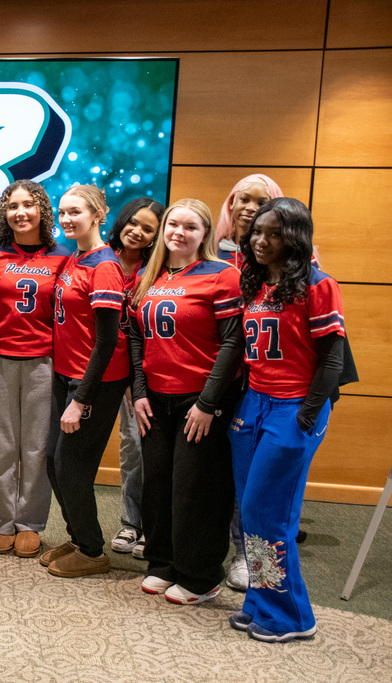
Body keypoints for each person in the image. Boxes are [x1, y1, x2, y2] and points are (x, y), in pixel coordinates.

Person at [228, 197, 345, 642]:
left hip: (292, 408)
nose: (261, 240)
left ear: (293, 236)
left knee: (268, 513)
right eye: (257, 231)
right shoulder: (255, 283)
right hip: (253, 404)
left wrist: (305, 418)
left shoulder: (317, 284)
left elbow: (332, 359)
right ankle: (260, 600)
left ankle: (291, 617)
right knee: (253, 512)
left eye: (273, 233)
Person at [129, 199, 243, 605]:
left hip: (201, 400)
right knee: (157, 483)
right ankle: (163, 563)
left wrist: (209, 403)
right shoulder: (149, 275)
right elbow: (137, 338)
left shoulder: (222, 275)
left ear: (205, 234)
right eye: (172, 224)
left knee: (196, 488)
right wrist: (139, 393)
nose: (178, 232)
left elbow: (233, 341)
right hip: (156, 399)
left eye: (190, 227)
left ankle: (201, 577)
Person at [0, 180, 70, 558]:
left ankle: (29, 522)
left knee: (35, 448)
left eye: (28, 205)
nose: (20, 212)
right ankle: (3, 522)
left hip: (44, 361)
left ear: (42, 210)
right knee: (0, 447)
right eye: (12, 206)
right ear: (4, 213)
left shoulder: (62, 256)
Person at [42, 184, 129, 578]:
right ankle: (78, 537)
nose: (66, 219)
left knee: (71, 469)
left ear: (98, 214)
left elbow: (108, 340)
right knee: (52, 462)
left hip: (92, 382)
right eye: (62, 212)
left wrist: (81, 398)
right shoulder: (76, 259)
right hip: (65, 376)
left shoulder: (105, 266)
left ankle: (92, 550)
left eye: (75, 212)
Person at [214, 173, 282, 591]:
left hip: (272, 393)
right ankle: (216, 550)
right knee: (224, 473)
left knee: (259, 487)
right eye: (241, 199)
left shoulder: (296, 267)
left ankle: (253, 561)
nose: (248, 207)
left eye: (260, 201)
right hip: (218, 382)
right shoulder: (211, 253)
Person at [105, 198, 164, 558]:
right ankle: (129, 522)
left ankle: (141, 526)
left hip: (139, 375)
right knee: (128, 451)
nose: (137, 232)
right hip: (96, 369)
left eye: (148, 229)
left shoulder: (157, 270)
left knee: (141, 449)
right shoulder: (99, 259)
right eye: (134, 223)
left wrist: (135, 381)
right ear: (121, 220)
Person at [215, 174, 283, 268]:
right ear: (232, 202)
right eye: (244, 200)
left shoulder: (280, 258)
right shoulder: (212, 254)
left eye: (261, 204)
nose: (251, 208)